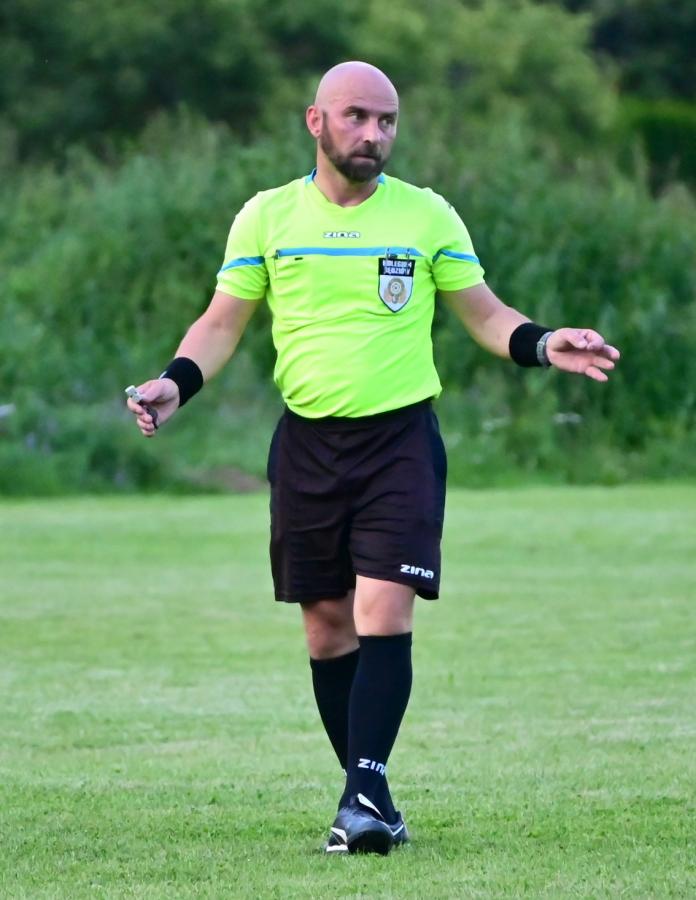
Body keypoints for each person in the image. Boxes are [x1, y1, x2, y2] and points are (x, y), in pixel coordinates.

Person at [127, 61, 620, 855]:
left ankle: (358, 803)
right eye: (357, 116)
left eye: (386, 120)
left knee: (383, 607)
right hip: (307, 445)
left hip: (399, 443)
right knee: (326, 630)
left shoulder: (426, 215)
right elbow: (221, 322)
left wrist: (542, 343)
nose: (374, 133)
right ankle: (373, 797)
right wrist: (173, 385)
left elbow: (484, 313)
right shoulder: (266, 217)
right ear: (315, 121)